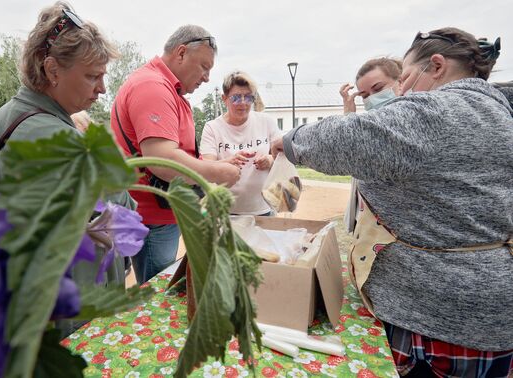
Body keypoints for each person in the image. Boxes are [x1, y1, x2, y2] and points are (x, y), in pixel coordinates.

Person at [272, 27, 512, 378]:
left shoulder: (438, 108)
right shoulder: (500, 113)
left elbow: (352, 138)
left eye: (406, 79)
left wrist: (289, 142)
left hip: (435, 315)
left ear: (437, 66)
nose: (402, 92)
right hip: (491, 307)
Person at [0, 1, 130, 335]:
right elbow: (124, 220)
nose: (102, 89)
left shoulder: (2, 120)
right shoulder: (62, 141)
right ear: (52, 70)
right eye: (93, 76)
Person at [111, 25, 240, 284]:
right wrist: (215, 173)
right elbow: (163, 161)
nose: (206, 77)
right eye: (204, 66)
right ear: (181, 53)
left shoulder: (166, 88)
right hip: (152, 218)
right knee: (158, 291)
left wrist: (209, 164)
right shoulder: (153, 87)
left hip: (160, 215)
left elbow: (176, 153)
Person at [200, 71, 280, 215]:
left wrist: (270, 159)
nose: (243, 103)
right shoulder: (212, 128)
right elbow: (205, 168)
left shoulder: (266, 122)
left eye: (248, 97)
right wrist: (228, 162)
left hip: (264, 209)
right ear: (224, 99)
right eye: (236, 97)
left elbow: (282, 157)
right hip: (225, 211)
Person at [340, 58, 402, 233]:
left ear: (401, 82)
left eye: (378, 89)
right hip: (369, 222)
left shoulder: (408, 125)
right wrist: (349, 114)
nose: (372, 98)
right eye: (365, 95)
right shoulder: (369, 125)